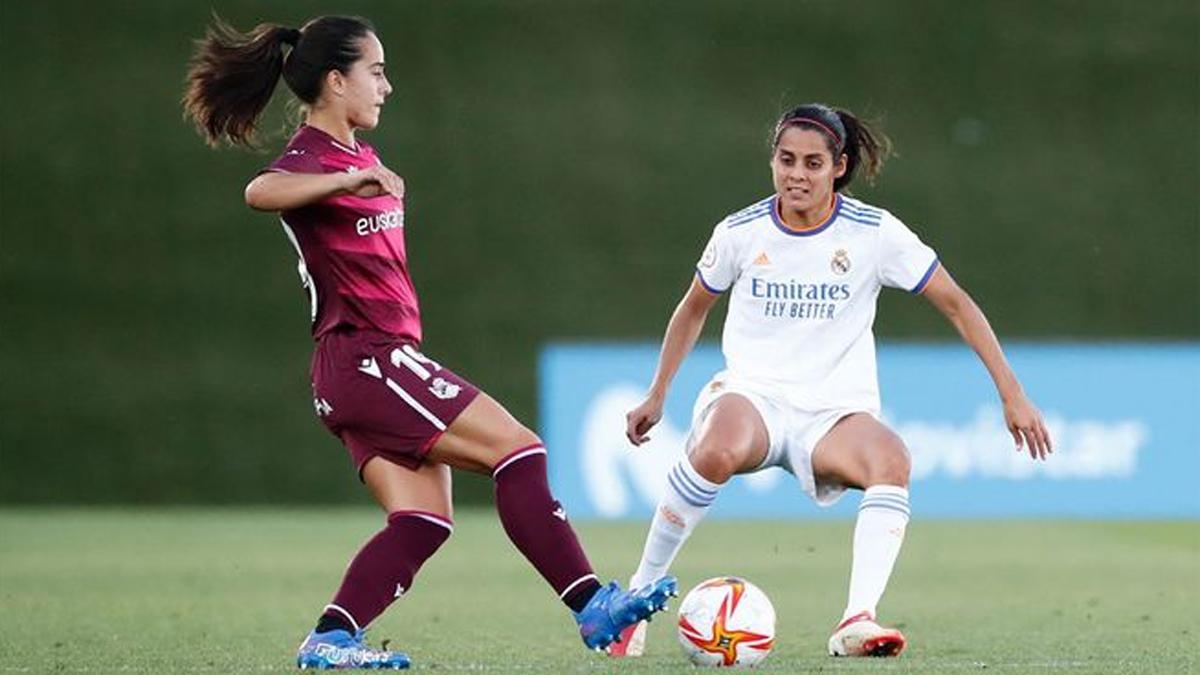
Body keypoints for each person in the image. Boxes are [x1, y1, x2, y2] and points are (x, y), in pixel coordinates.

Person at [182, 15, 675, 670]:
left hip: (366, 364)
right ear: (336, 80)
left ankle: (330, 638)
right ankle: (591, 605)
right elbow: (258, 190)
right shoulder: (316, 159)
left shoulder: (363, 156)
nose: (386, 86)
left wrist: (356, 178)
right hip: (366, 357)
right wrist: (339, 183)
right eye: (376, 72)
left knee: (424, 518)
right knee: (519, 449)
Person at [612, 103, 1052, 659]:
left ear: (838, 166)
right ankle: (637, 597)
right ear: (772, 160)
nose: (797, 174)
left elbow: (957, 304)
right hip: (753, 396)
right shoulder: (740, 232)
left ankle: (856, 620)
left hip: (832, 413)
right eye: (786, 159)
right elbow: (692, 309)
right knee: (718, 446)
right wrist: (659, 393)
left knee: (891, 459)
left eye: (813, 163)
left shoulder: (874, 232)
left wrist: (1012, 394)